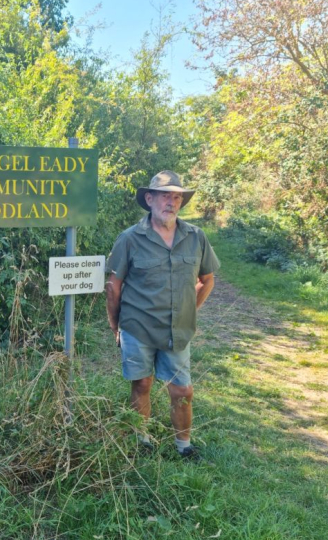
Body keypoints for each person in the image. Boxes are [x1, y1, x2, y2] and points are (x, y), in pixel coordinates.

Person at [105, 171, 219, 461]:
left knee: (182, 390)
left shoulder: (196, 237)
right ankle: (142, 438)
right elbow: (114, 287)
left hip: (177, 330)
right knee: (141, 383)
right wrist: (115, 325)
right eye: (165, 195)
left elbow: (207, 279)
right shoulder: (130, 238)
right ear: (149, 198)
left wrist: (189, 308)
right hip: (137, 326)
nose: (171, 202)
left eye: (177, 196)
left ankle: (184, 446)